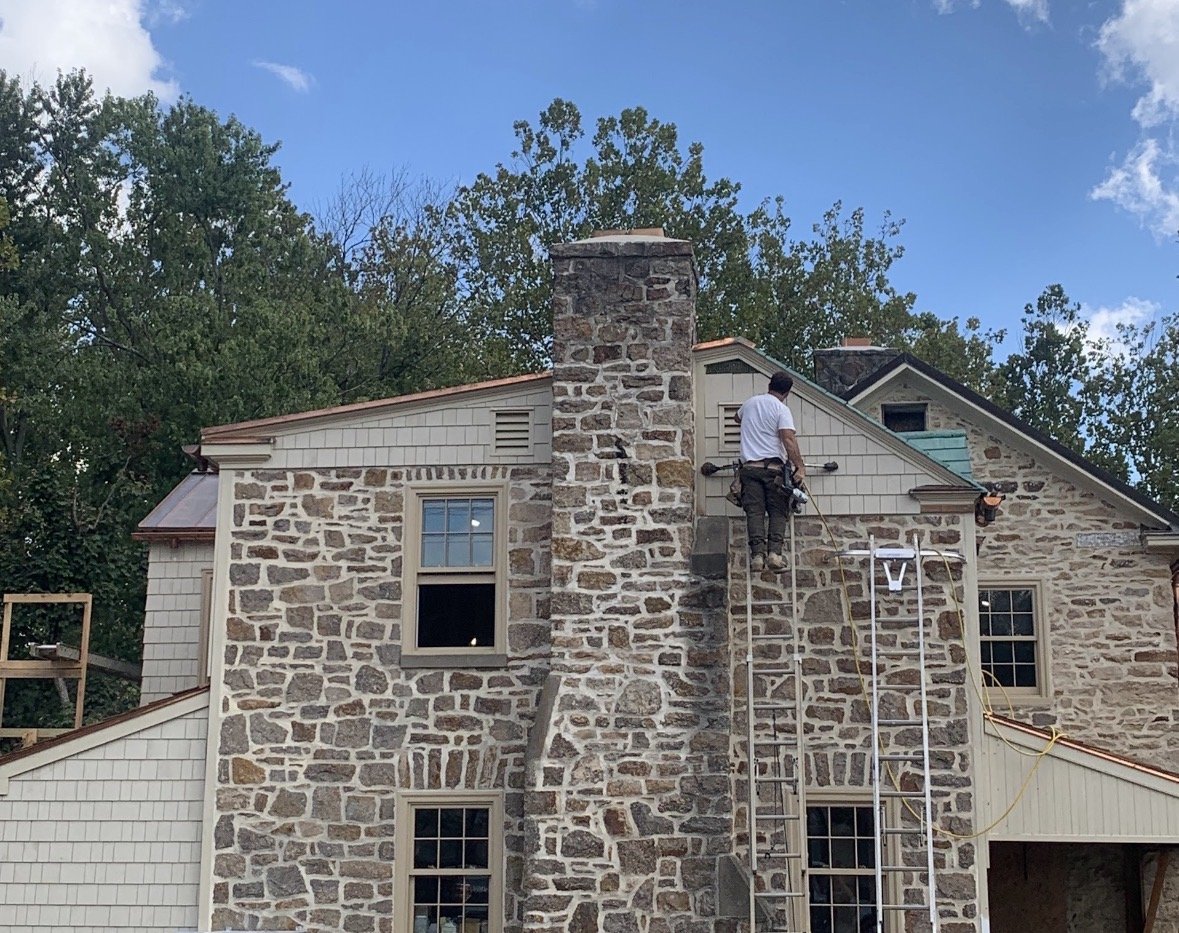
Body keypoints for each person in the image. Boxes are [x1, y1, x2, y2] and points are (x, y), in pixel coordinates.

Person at [735, 370, 806, 572]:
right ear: (787, 392)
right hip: (773, 470)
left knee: (755, 512)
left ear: (769, 385)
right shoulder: (781, 409)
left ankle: (757, 556)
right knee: (777, 511)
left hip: (749, 469)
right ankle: (774, 554)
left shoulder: (750, 403)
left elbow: (736, 418)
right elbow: (788, 438)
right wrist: (799, 466)